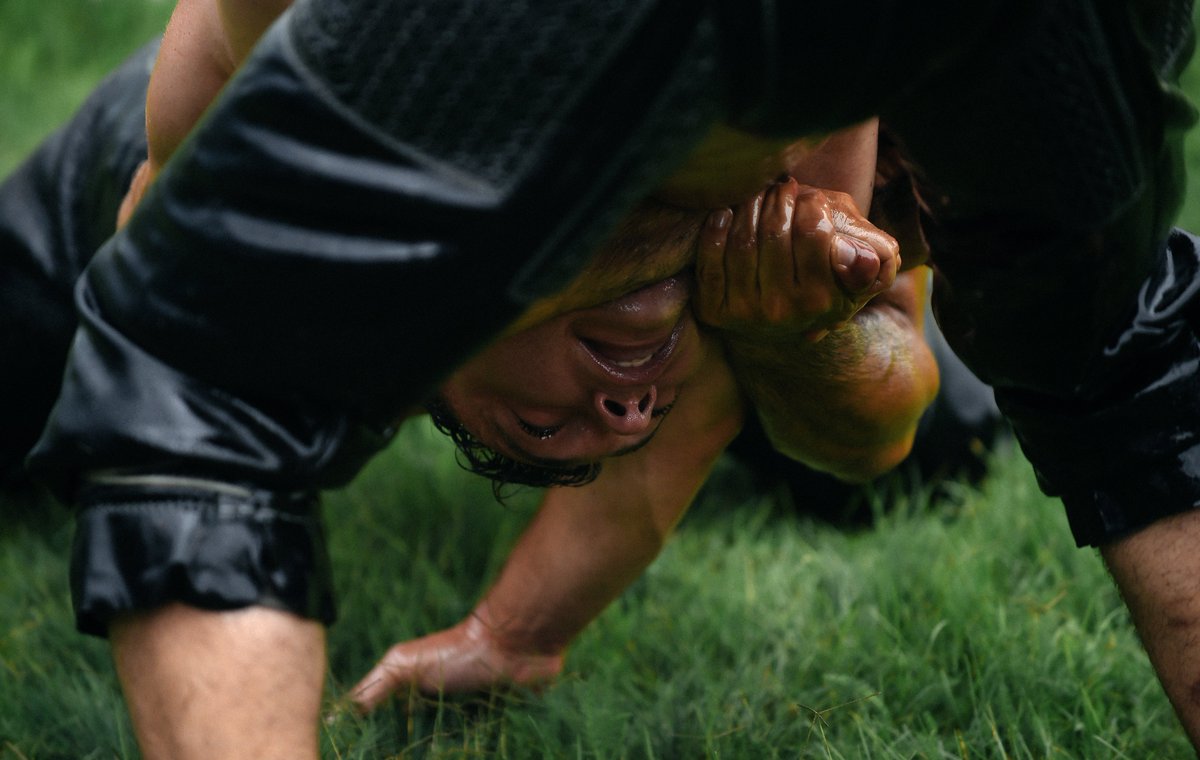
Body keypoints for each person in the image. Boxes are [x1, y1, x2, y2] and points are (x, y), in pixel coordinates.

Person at [18, 0, 1200, 753]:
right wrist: (790, 326)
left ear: (398, 333)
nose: (630, 403)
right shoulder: (769, 204)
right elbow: (864, 425)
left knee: (179, 381)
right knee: (1056, 373)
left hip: (385, 105)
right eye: (633, 411)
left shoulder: (287, 81)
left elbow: (180, 355)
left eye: (544, 418)